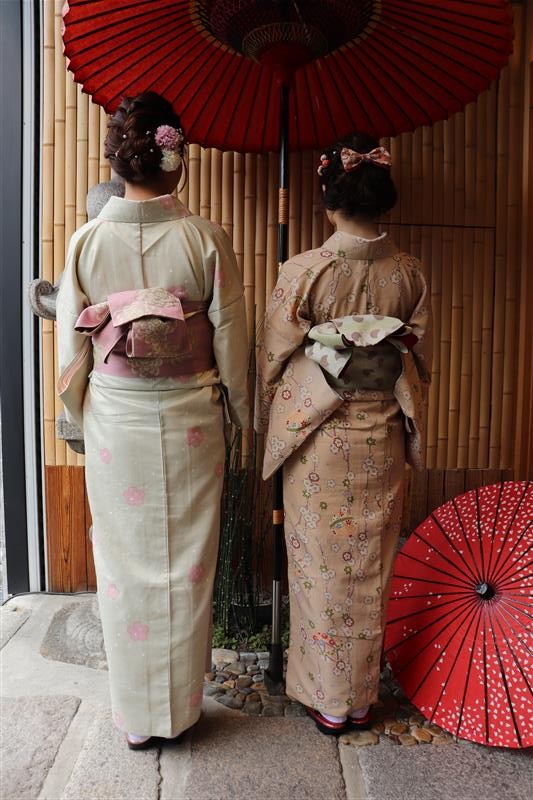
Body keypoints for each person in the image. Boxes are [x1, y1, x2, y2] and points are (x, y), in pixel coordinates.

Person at [56, 92, 249, 749]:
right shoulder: (205, 238)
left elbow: (71, 350)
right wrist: (241, 409)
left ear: (119, 160)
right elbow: (231, 339)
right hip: (192, 415)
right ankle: (180, 711)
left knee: (123, 563)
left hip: (116, 418)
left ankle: (138, 719)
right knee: (188, 563)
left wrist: (79, 414)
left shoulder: (86, 241)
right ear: (175, 159)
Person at [255, 133, 431, 735]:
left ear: (329, 199)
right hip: (383, 435)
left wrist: (272, 411)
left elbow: (273, 356)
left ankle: (329, 699)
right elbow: (417, 354)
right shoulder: (409, 272)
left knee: (321, 567)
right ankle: (359, 699)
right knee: (369, 565)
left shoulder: (304, 270)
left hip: (318, 435)